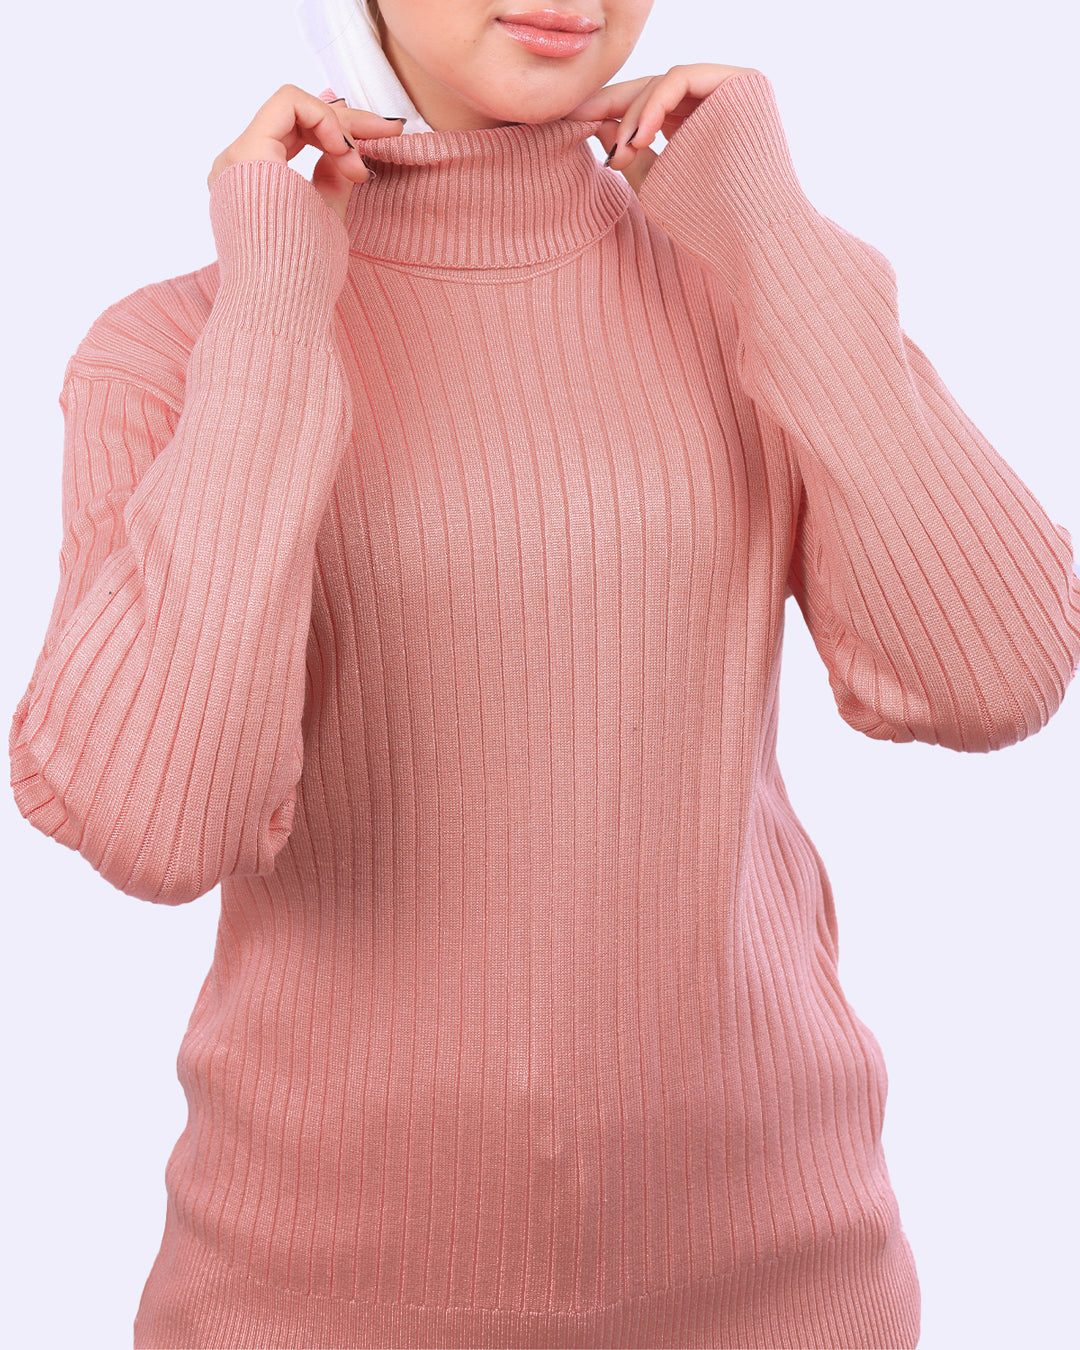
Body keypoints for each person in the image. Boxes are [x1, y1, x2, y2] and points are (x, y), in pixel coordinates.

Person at [10, 1, 1080, 1347]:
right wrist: (273, 317)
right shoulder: (181, 347)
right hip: (315, 1295)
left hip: (783, 1282)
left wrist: (773, 236)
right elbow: (160, 823)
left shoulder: (744, 282)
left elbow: (995, 671)